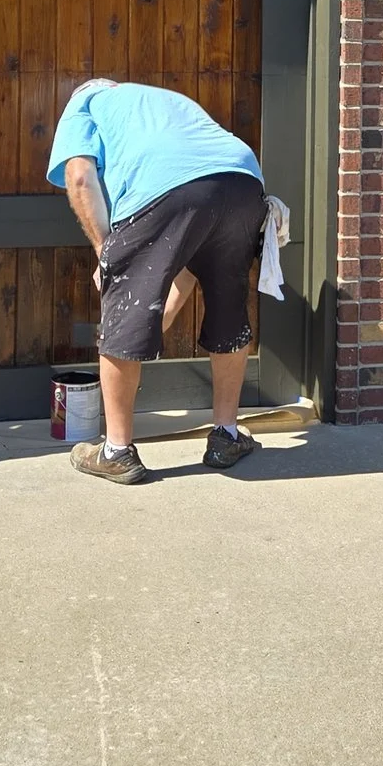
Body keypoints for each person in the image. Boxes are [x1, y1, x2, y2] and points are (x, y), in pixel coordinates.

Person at [50, 78, 269, 484]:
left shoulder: (84, 102)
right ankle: (227, 434)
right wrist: (157, 311)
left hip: (166, 186)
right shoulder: (167, 103)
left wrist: (107, 252)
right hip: (243, 180)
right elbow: (189, 245)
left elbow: (80, 177)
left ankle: (115, 451)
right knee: (228, 308)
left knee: (121, 318)